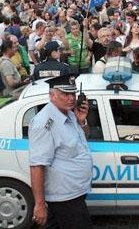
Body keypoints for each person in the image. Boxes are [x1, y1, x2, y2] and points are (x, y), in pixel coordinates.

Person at [29, 75, 92, 228]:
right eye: (65, 94)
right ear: (52, 95)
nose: (71, 98)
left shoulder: (69, 113)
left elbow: (83, 138)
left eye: (73, 94)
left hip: (74, 191)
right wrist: (40, 204)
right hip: (64, 197)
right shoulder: (45, 123)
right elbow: (37, 165)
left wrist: (82, 121)